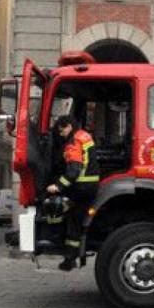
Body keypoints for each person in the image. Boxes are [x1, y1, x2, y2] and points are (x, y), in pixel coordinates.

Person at [45, 115, 100, 271]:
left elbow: (74, 169)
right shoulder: (83, 135)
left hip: (82, 187)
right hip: (89, 185)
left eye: (61, 131)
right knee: (76, 219)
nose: (61, 134)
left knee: (73, 220)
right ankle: (70, 257)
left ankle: (70, 258)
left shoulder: (73, 141)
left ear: (69, 126)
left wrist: (58, 186)